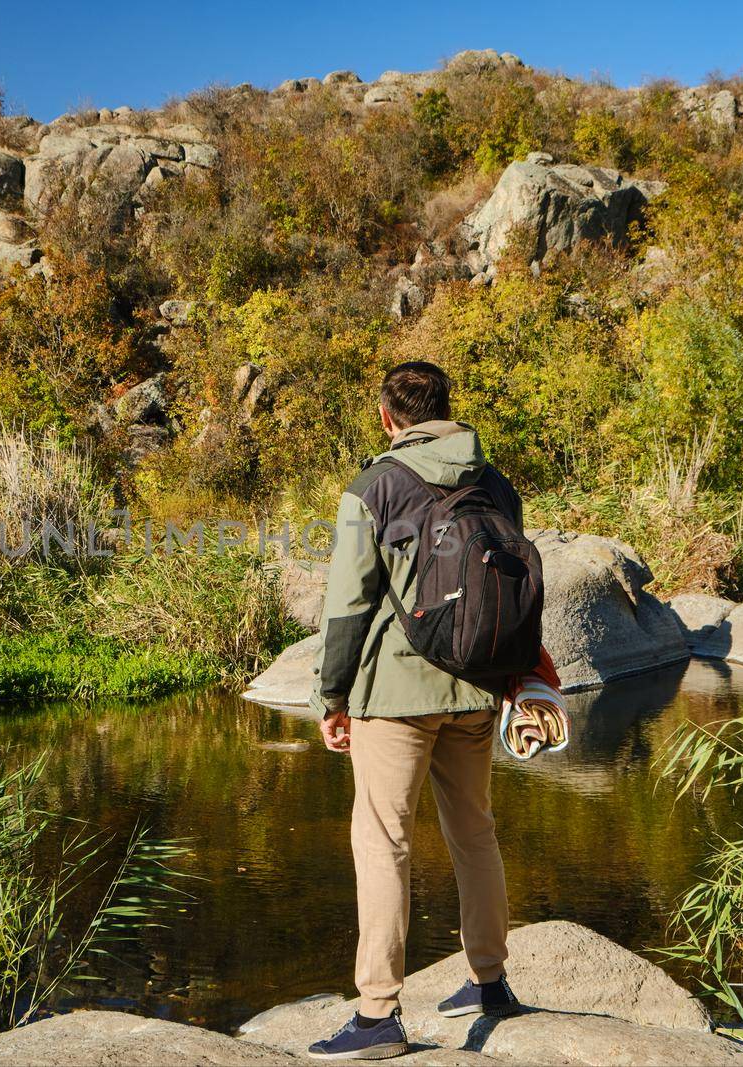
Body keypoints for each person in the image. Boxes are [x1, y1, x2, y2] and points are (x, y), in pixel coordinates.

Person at [307, 361, 522, 1060]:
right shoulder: (494, 482)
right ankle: (489, 982)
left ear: (387, 418)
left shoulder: (374, 488)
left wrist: (331, 697)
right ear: (446, 409)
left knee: (383, 841)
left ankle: (377, 1015)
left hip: (395, 695)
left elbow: (347, 605)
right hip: (477, 685)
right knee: (475, 831)